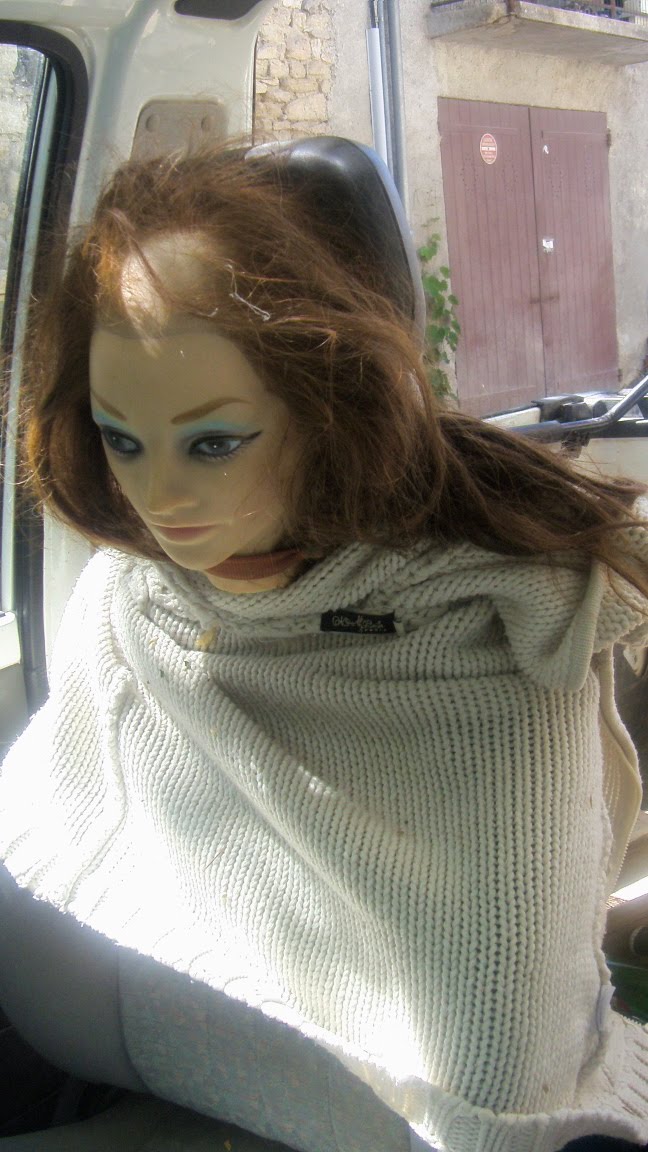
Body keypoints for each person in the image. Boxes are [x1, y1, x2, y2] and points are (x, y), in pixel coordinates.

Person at [0, 141, 647, 1152]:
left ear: (325, 408)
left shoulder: (498, 620)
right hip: (172, 1054)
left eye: (214, 442)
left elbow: (496, 1051)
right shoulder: (130, 595)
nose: (157, 497)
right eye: (121, 437)